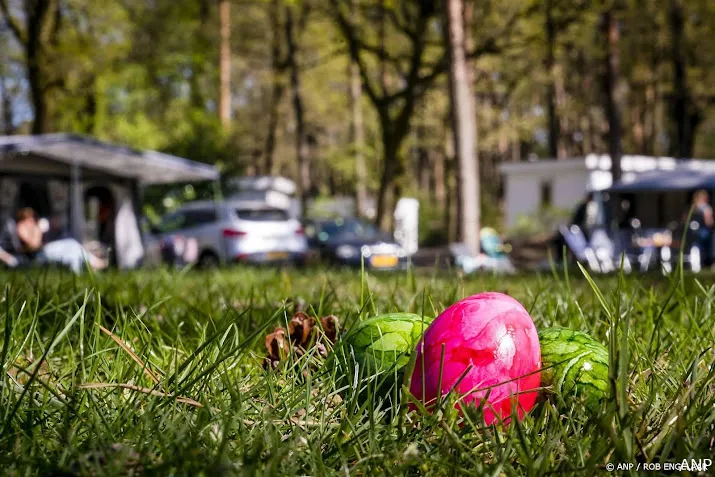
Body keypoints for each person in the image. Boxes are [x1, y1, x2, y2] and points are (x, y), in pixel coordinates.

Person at [15, 207, 107, 273]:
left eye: (32, 218)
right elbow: (34, 245)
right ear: (24, 218)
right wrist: (37, 231)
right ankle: (93, 263)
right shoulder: (21, 227)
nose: (32, 221)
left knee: (72, 245)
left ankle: (86, 267)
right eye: (29, 218)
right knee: (72, 247)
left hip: (45, 249)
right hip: (38, 254)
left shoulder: (34, 226)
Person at [688, 190, 714, 266]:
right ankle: (706, 262)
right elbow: (709, 222)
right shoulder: (706, 207)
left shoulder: (693, 207)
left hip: (691, 232)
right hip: (703, 231)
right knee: (705, 248)